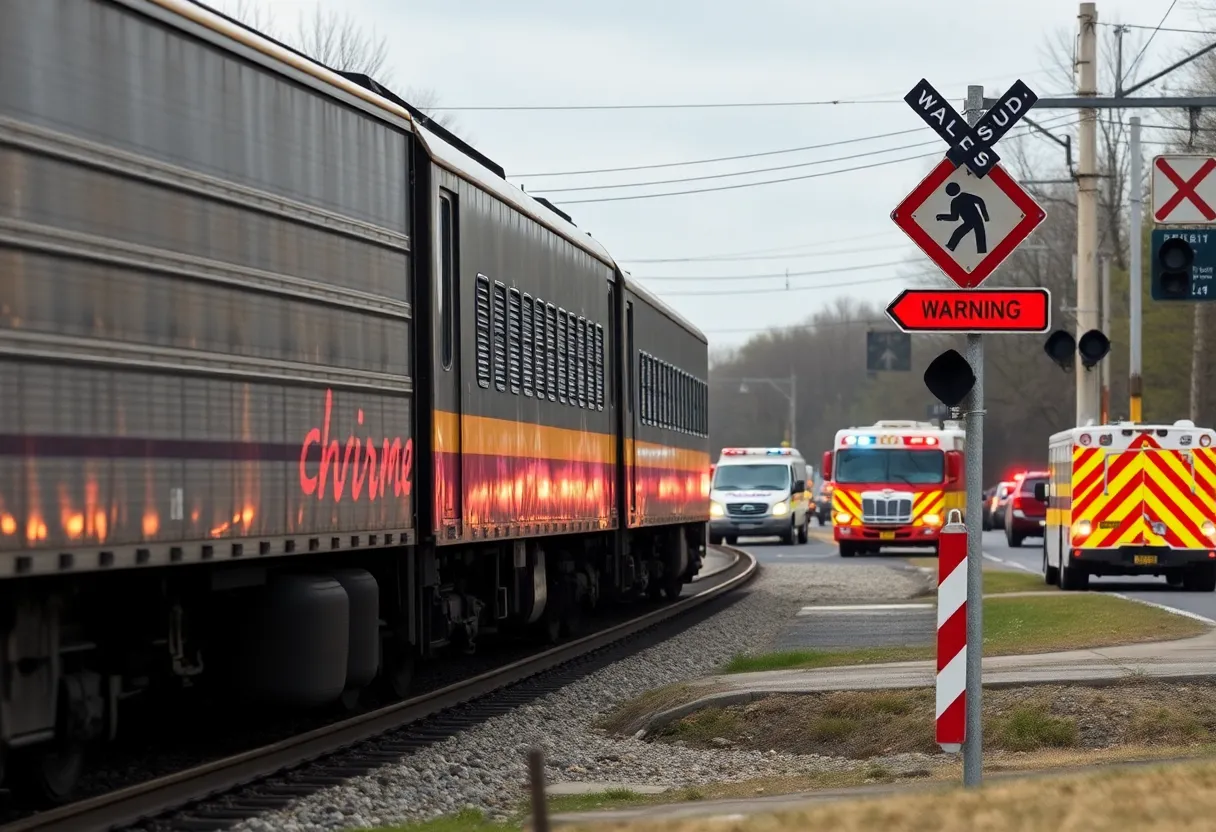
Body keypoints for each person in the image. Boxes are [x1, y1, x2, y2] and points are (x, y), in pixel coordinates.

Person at [936, 182, 989, 254]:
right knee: (976, 234)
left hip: (973, 220)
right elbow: (954, 217)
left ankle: (952, 245)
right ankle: (951, 245)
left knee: (976, 235)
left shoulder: (956, 201)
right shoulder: (960, 199)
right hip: (973, 220)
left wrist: (985, 216)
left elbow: (954, 217)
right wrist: (941, 217)